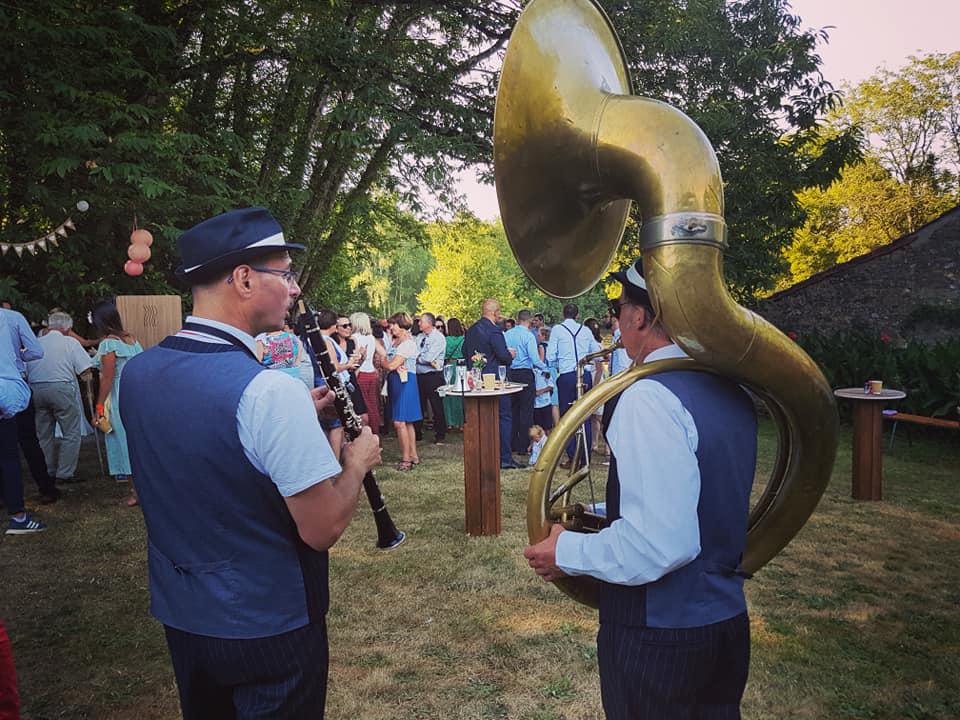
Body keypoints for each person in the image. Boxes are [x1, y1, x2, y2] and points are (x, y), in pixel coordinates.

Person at [119, 207, 382, 720]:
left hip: (184, 615)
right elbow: (322, 527)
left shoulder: (141, 373)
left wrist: (286, 422)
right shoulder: (267, 391)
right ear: (242, 278)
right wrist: (357, 463)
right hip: (269, 622)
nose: (293, 289)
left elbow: (197, 449)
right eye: (284, 274)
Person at [524, 258, 758, 720]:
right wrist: (598, 511)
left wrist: (565, 552)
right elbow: (695, 496)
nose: (616, 318)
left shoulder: (648, 397)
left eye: (618, 307)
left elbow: (660, 544)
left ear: (639, 317)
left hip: (660, 637)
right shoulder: (729, 389)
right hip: (724, 621)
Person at [25, 311, 92, 484]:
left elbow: (24, 369)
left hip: (36, 389)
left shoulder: (36, 343)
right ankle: (65, 472)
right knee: (71, 432)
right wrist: (88, 385)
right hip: (61, 388)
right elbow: (85, 370)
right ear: (66, 328)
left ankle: (46, 469)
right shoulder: (70, 342)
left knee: (43, 433)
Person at [91, 299, 144, 506]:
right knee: (137, 441)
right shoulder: (131, 339)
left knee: (123, 442)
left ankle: (136, 493)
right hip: (136, 394)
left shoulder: (108, 344)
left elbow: (107, 378)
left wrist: (99, 406)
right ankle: (144, 488)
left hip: (119, 396)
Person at [1, 306, 47, 534]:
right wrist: (17, 354)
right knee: (9, 454)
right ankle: (18, 516)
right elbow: (36, 351)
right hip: (6, 388)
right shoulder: (11, 318)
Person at [461, 299, 517, 469]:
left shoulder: (471, 330)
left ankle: (483, 454)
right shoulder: (494, 331)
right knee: (503, 417)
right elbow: (503, 356)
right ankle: (504, 457)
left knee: (480, 418)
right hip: (494, 381)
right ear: (495, 313)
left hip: (476, 379)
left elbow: (465, 351)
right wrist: (510, 354)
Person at [545, 303, 601, 466]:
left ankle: (572, 456)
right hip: (585, 375)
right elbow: (596, 352)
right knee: (585, 415)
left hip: (568, 375)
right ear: (577, 315)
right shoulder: (585, 330)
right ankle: (585, 456)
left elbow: (550, 355)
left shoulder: (557, 330)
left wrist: (558, 363)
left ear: (563, 314)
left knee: (567, 417)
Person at [377, 312, 421, 470]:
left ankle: (406, 459)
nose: (391, 327)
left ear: (401, 325)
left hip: (405, 382)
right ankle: (413, 455)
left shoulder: (408, 343)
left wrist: (383, 361)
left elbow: (391, 365)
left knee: (400, 421)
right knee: (407, 421)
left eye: (393, 324)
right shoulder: (395, 342)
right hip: (396, 381)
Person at [504, 309, 547, 455]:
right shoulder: (529, 336)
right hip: (525, 373)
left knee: (512, 409)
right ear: (529, 321)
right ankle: (523, 446)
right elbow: (535, 359)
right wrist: (545, 368)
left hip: (510, 373)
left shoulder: (507, 334)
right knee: (526, 411)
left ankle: (511, 443)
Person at [414, 312, 446, 445]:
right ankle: (417, 433)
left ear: (428, 323)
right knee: (419, 405)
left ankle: (440, 433)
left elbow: (428, 358)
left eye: (421, 321)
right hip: (419, 375)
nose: (419, 323)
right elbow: (413, 352)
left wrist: (418, 358)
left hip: (433, 376)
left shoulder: (438, 338)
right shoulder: (419, 337)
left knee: (436, 405)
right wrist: (420, 357)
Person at [350, 312, 381, 437]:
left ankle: (366, 434)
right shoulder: (371, 338)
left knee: (363, 407)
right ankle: (375, 432)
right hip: (371, 372)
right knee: (373, 404)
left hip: (361, 373)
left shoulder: (354, 338)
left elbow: (357, 358)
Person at [442, 317, 465, 431]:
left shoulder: (446, 340)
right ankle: (461, 423)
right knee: (461, 394)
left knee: (448, 394)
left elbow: (445, 355)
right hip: (461, 367)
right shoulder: (464, 339)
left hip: (450, 366)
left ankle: (450, 422)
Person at [533, 368, 555, 434]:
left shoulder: (545, 370)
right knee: (538, 429)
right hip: (535, 406)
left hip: (546, 404)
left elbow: (551, 386)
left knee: (548, 428)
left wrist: (541, 391)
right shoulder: (530, 371)